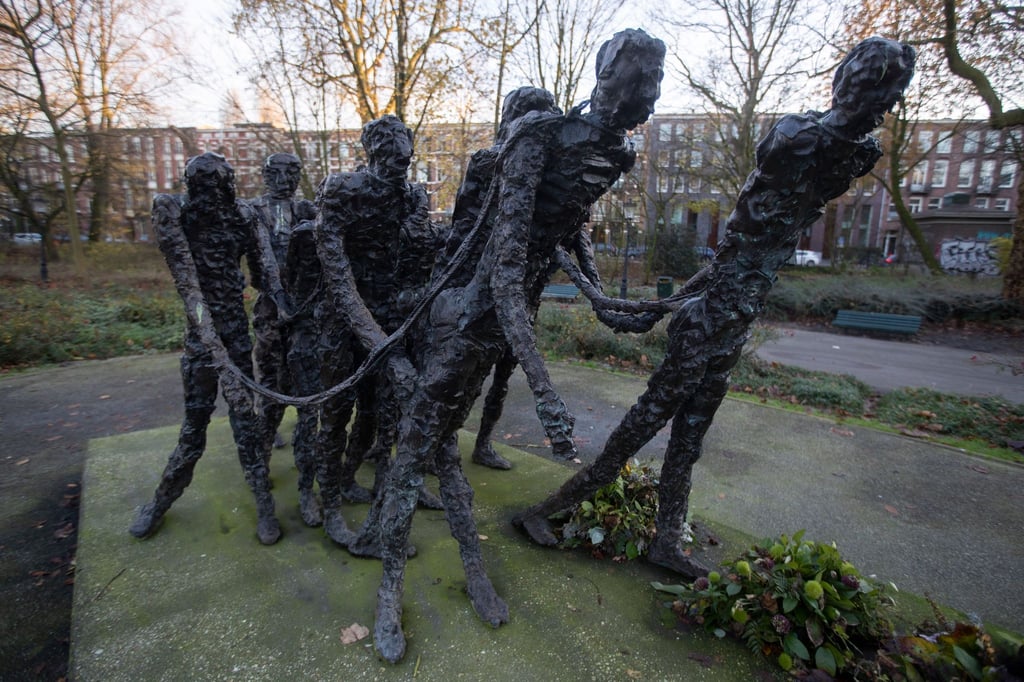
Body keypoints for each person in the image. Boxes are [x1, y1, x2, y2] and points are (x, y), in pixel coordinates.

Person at [514, 36, 916, 578]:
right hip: (711, 317)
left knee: (690, 437)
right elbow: (740, 241)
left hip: (734, 315)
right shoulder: (795, 137)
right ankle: (542, 511)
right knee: (643, 424)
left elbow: (748, 250)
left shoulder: (857, 152)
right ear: (861, 86)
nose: (888, 107)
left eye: (895, 95)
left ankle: (666, 542)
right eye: (887, 91)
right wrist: (683, 302)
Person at [344, 29, 667, 662]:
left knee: (437, 445)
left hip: (497, 322)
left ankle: (467, 566)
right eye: (640, 76)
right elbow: (504, 262)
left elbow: (563, 237)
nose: (649, 93)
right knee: (415, 449)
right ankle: (388, 591)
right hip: (465, 317)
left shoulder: (615, 156)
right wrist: (544, 388)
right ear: (604, 73)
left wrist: (605, 301)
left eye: (657, 80)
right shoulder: (536, 136)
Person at [129, 152, 289, 545]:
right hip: (201, 342)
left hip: (234, 336)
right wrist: (209, 339)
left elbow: (266, 272)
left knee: (245, 425)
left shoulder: (242, 215)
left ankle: (265, 509)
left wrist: (288, 308)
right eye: (207, 189)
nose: (216, 195)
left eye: (221, 187)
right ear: (194, 189)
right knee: (194, 429)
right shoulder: (176, 212)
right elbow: (188, 283)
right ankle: (160, 501)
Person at [312, 115, 438, 541]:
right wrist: (378, 342)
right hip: (342, 320)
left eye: (405, 158)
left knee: (377, 415)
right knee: (334, 414)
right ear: (373, 154)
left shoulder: (411, 198)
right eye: (391, 158)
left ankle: (354, 481)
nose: (400, 166)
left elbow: (421, 261)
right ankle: (329, 505)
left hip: (389, 321)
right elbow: (338, 278)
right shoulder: (342, 191)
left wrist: (422, 220)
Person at [248, 153, 321, 525]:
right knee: (271, 386)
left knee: (309, 400)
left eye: (291, 172)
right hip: (271, 312)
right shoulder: (252, 210)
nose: (283, 178)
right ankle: (259, 461)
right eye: (275, 172)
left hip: (303, 313)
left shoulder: (306, 208)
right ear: (264, 174)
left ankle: (307, 488)